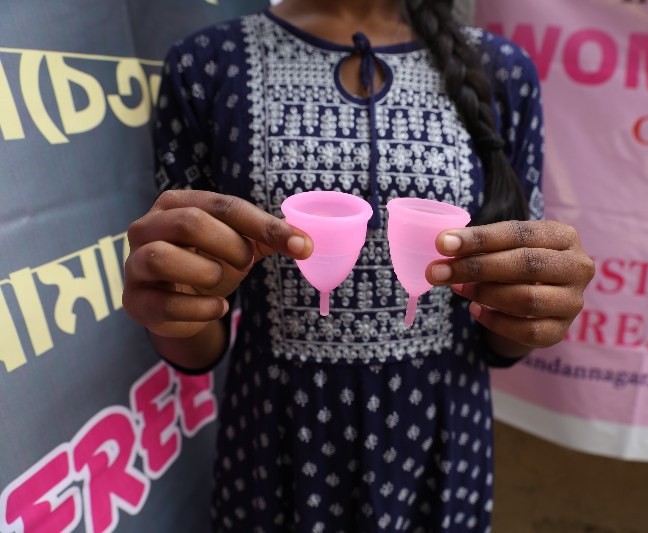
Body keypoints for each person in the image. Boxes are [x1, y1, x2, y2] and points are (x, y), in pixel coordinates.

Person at [122, 0, 595, 530]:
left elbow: (502, 334)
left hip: (439, 437)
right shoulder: (209, 64)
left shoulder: (503, 70)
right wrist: (172, 306)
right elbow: (196, 342)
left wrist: (531, 311)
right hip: (277, 437)